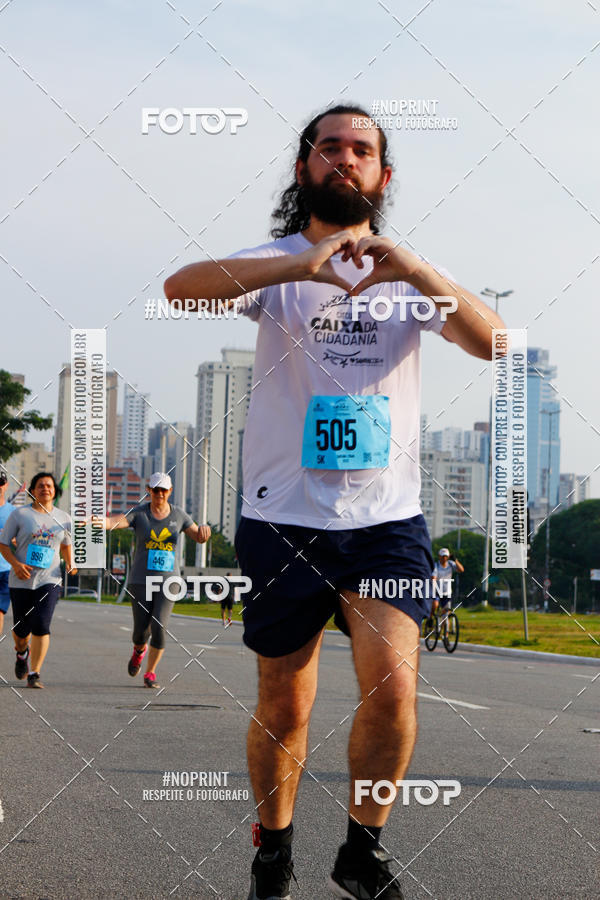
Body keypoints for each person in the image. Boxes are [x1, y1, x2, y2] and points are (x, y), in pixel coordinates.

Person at [165, 104, 504, 899]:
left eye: (362, 150)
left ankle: (362, 847)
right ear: (304, 169)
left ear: (385, 176)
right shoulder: (278, 262)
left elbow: (495, 342)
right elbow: (181, 289)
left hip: (386, 519)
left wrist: (415, 271)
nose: (344, 160)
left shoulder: (414, 275)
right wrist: (300, 267)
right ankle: (274, 847)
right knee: (284, 701)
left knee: (394, 684)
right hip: (283, 518)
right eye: (329, 149)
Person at [104, 472, 211, 688]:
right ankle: (138, 650)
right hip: (140, 580)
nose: (159, 494)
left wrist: (203, 533)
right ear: (149, 490)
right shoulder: (140, 513)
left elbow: (197, 536)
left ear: (170, 491)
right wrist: (102, 522)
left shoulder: (179, 515)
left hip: (168, 581)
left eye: (163, 490)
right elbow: (118, 521)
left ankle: (150, 673)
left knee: (159, 625)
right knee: (140, 631)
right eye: (155, 490)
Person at [0, 472, 75, 688]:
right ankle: (22, 653)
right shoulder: (20, 515)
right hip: (21, 579)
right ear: (32, 491)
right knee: (21, 630)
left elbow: (66, 545)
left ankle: (35, 673)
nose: (46, 489)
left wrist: (70, 563)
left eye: (49, 486)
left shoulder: (63, 518)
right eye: (41, 486)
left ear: (55, 491)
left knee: (42, 624)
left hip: (49, 579)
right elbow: (3, 544)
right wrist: (16, 565)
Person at [0, 471, 15, 635]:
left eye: (1, 482)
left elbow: (20, 539)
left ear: (6, 485)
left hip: (4, 570)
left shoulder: (13, 512)